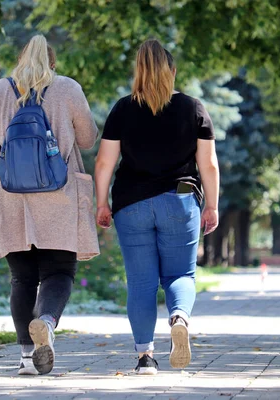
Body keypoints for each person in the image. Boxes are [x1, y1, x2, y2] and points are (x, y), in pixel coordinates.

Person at [0, 35, 99, 376]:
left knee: (22, 279)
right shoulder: (68, 88)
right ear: (52, 64)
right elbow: (88, 140)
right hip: (58, 196)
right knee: (59, 271)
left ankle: (28, 357)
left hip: (8, 197)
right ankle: (45, 321)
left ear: (18, 63)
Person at [95, 39, 220, 375]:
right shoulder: (193, 108)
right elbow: (207, 163)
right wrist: (212, 206)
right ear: (172, 72)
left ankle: (145, 358)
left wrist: (101, 203)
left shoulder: (123, 109)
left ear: (139, 71)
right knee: (180, 274)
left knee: (140, 283)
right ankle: (179, 317)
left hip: (131, 203)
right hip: (180, 200)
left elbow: (105, 162)